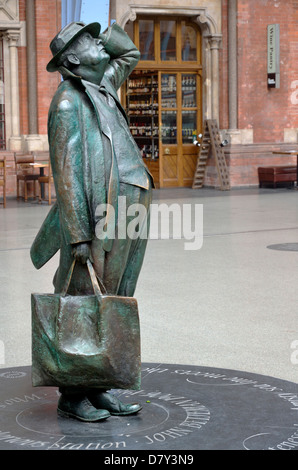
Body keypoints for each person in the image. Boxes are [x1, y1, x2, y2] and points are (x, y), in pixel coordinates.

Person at [30, 21, 153, 422]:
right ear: (73, 59)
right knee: (85, 298)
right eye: (89, 40)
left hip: (131, 200)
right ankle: (73, 393)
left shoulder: (102, 85)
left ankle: (98, 386)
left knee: (114, 297)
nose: (99, 43)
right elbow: (66, 177)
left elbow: (129, 53)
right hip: (97, 216)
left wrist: (107, 35)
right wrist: (79, 235)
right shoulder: (68, 102)